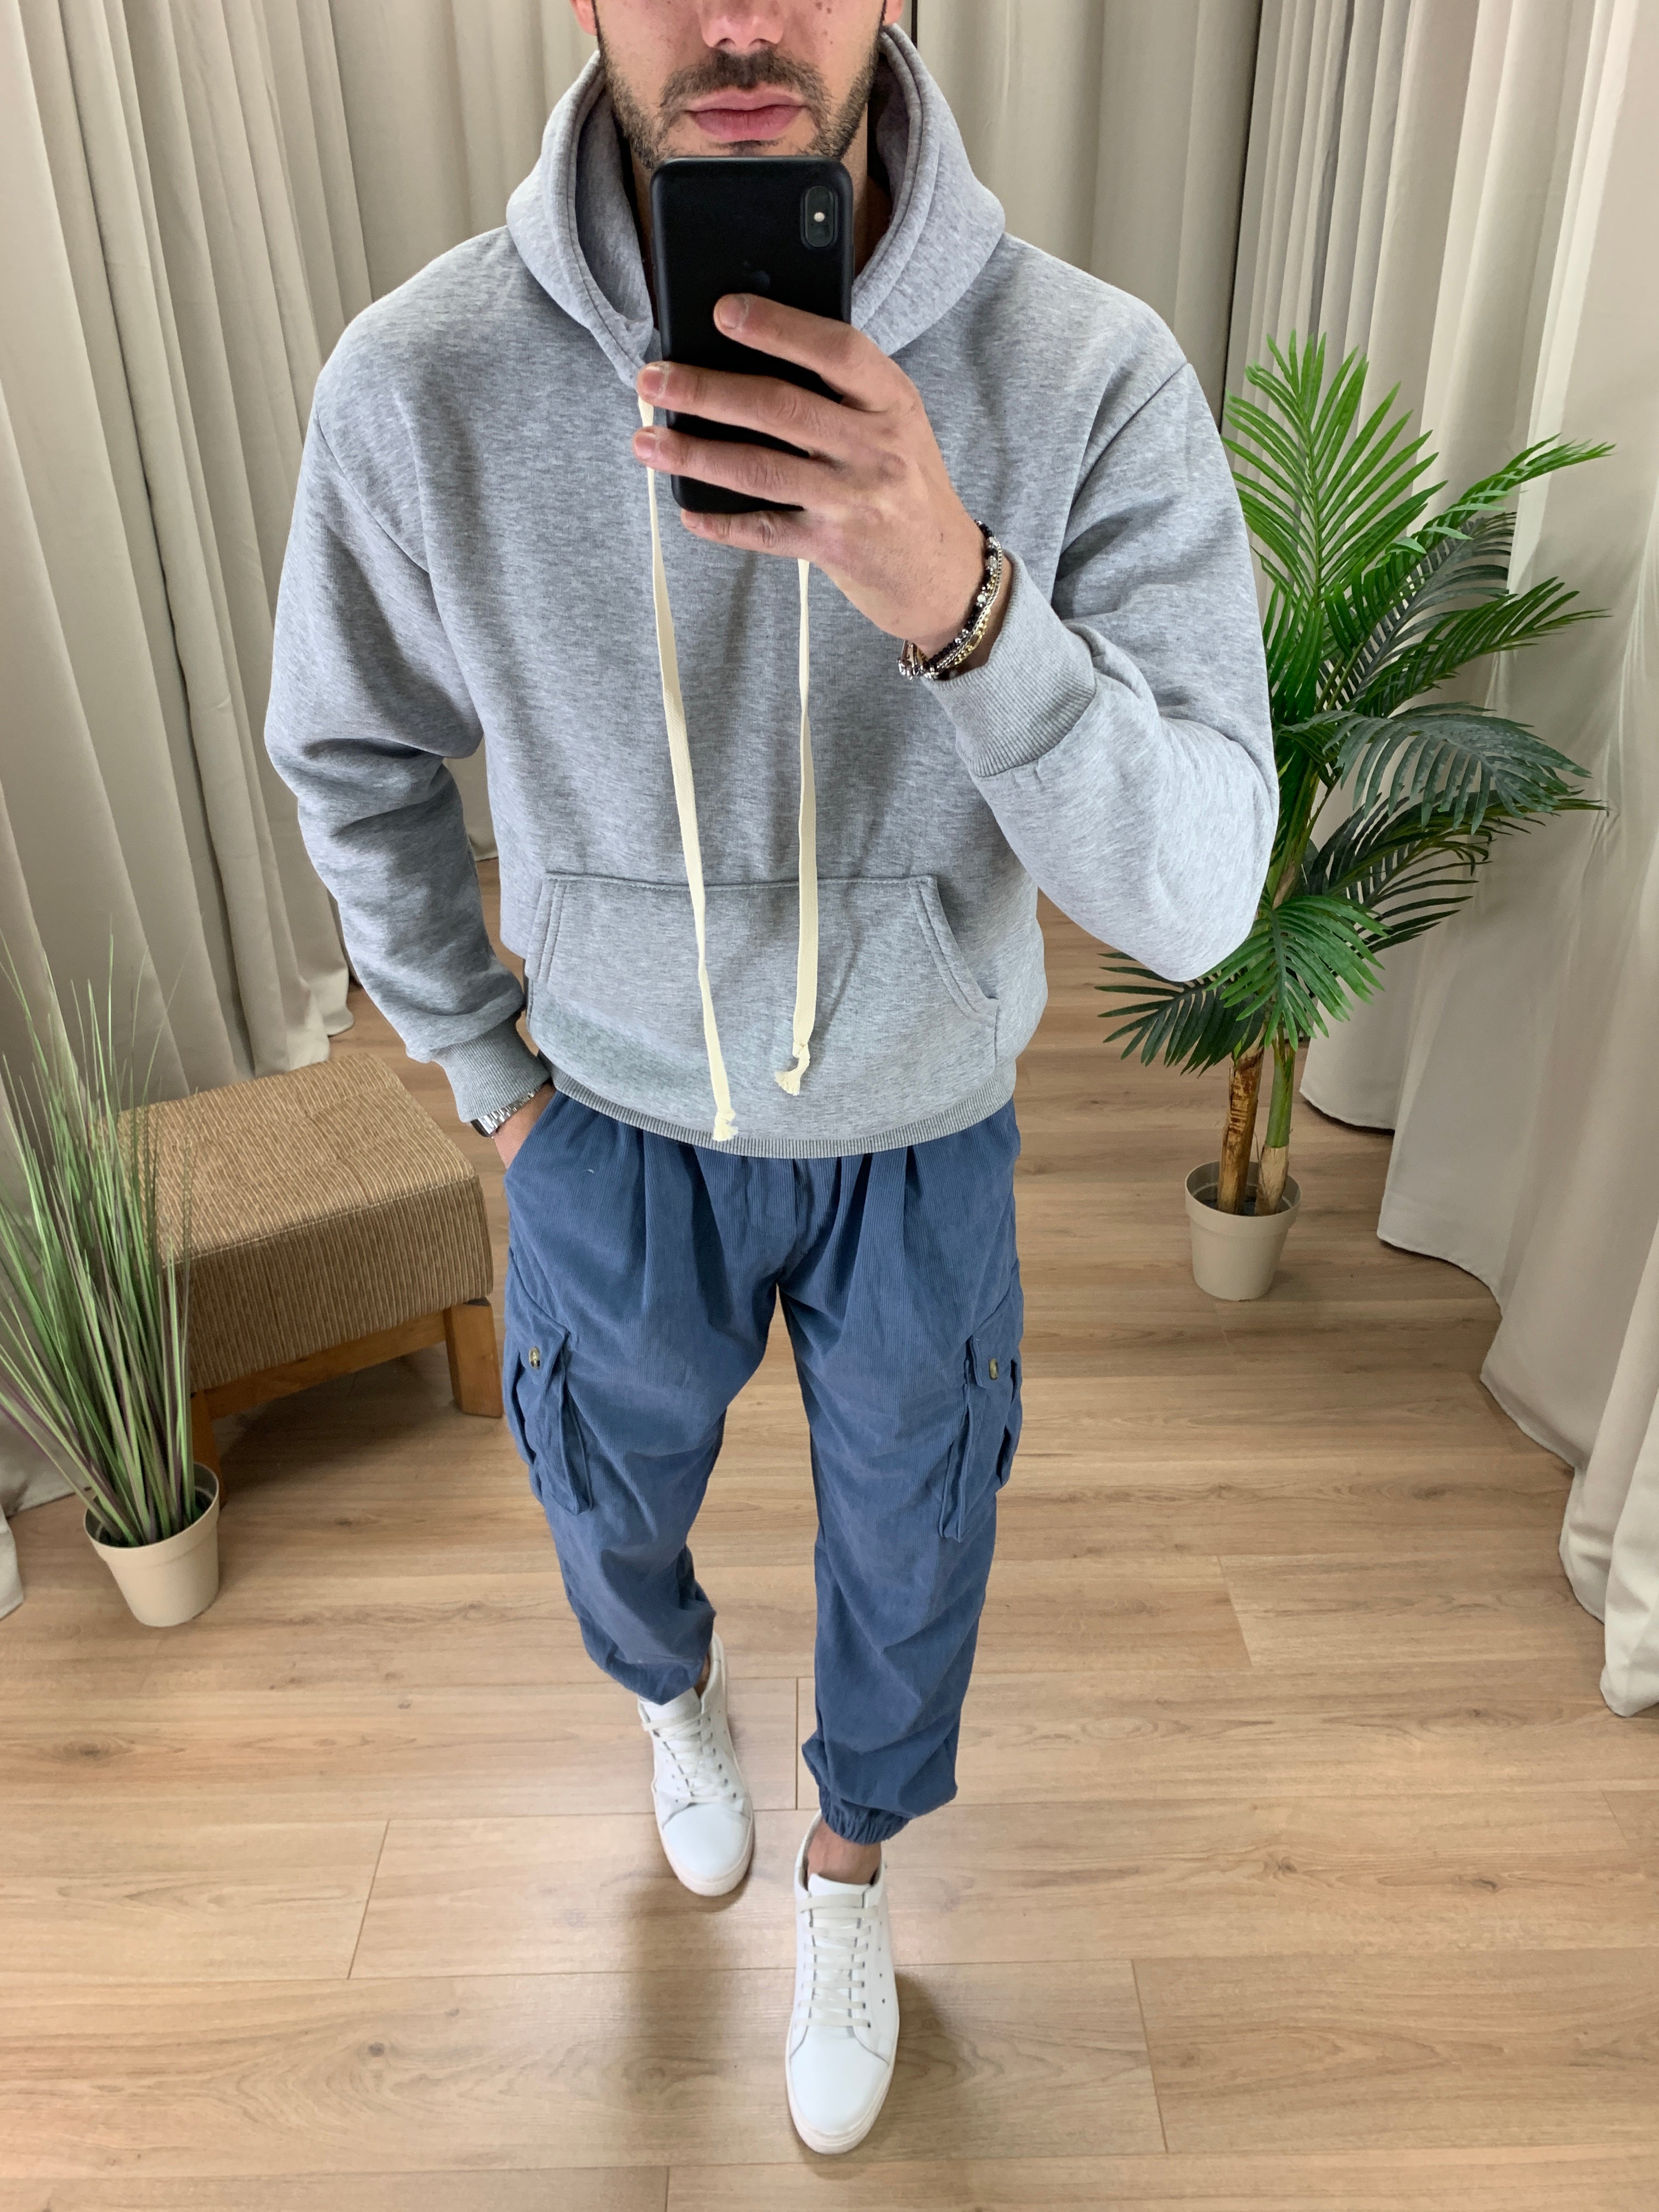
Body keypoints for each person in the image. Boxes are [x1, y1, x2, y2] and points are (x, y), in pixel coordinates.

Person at [265, 0, 1273, 2157]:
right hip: (605, 1128)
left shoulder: (1088, 375)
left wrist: (964, 600)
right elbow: (348, 756)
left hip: (920, 1132)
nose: (736, 17)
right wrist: (491, 1079)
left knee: (916, 1548)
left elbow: (1201, 895)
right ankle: (674, 1696)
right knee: (603, 1502)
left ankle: (850, 1875)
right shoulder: (422, 380)